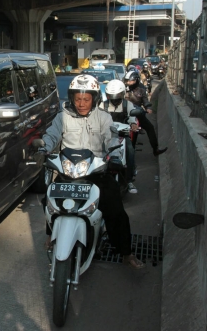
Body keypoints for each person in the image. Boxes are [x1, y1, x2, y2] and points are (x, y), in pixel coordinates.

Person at [33, 74, 145, 269]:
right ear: (72, 98)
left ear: (94, 99)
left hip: (95, 171)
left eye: (86, 99)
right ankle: (52, 233)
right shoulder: (63, 116)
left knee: (115, 209)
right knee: (49, 199)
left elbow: (111, 137)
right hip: (68, 170)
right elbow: (52, 135)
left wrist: (114, 154)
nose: (81, 103)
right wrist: (44, 146)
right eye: (77, 99)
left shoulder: (103, 117)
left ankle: (127, 253)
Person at [101, 79, 139, 193]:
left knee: (130, 151)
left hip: (123, 135)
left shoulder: (128, 104)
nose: (114, 99)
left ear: (122, 94)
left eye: (117, 96)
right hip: (107, 136)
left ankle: (129, 179)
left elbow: (132, 115)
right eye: (112, 96)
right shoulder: (103, 105)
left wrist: (133, 123)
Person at [124, 70, 168, 156]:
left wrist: (148, 107)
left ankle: (155, 149)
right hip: (126, 113)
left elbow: (145, 100)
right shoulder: (124, 88)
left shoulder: (141, 89)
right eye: (127, 81)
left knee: (150, 128)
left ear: (136, 80)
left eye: (131, 81)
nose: (129, 83)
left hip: (138, 113)